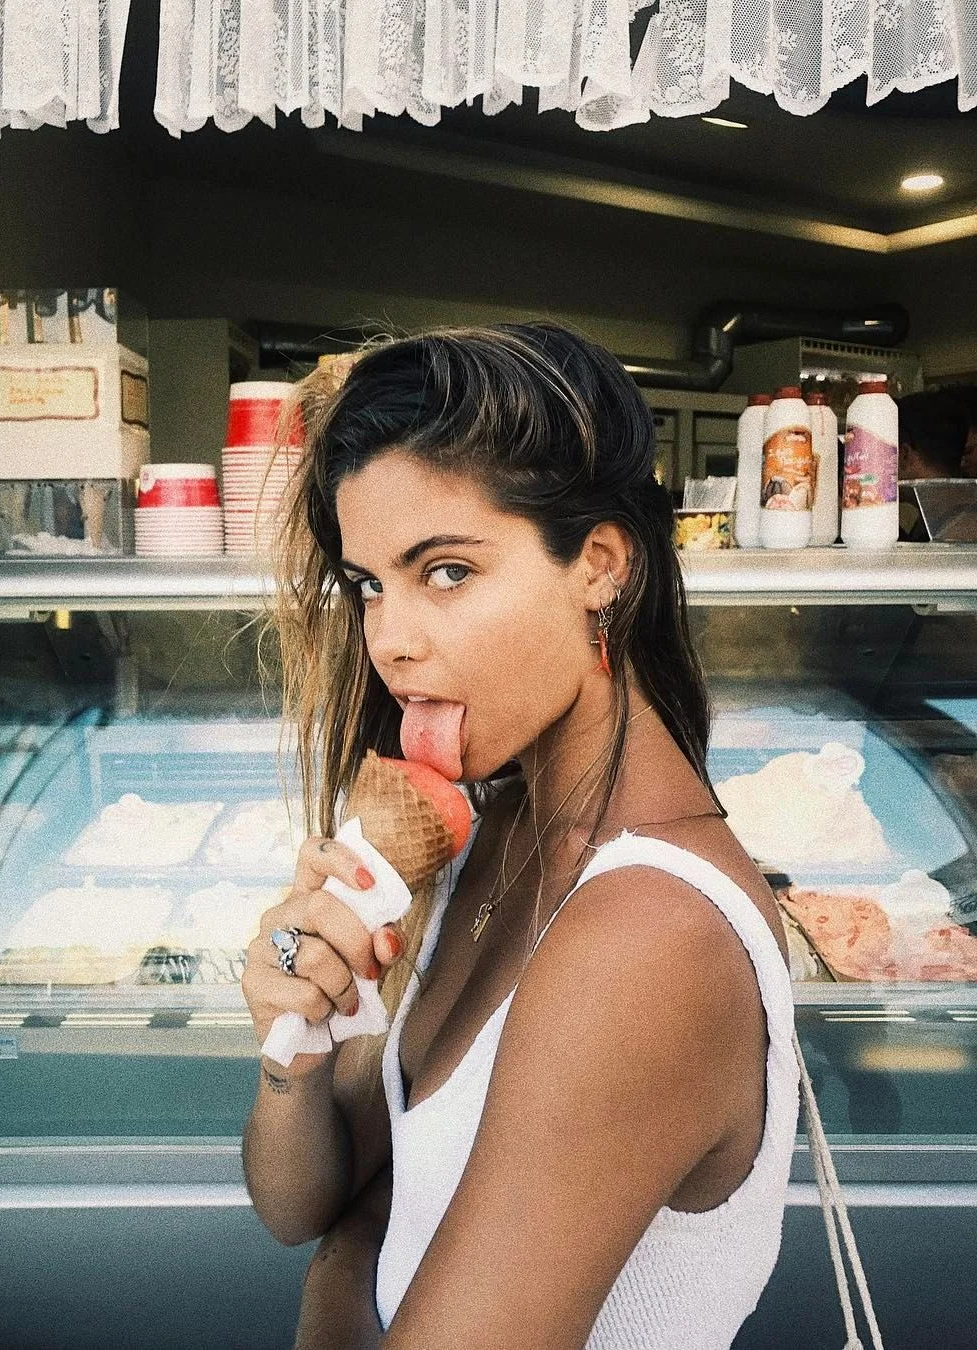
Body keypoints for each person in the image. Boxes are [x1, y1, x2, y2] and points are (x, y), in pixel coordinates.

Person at [241, 324, 799, 1349]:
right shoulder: (488, 830)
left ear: (599, 566)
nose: (390, 640)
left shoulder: (648, 935)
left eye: (447, 572)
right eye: (370, 584)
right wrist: (296, 1046)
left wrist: (348, 1260)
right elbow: (304, 1204)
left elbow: (355, 1237)